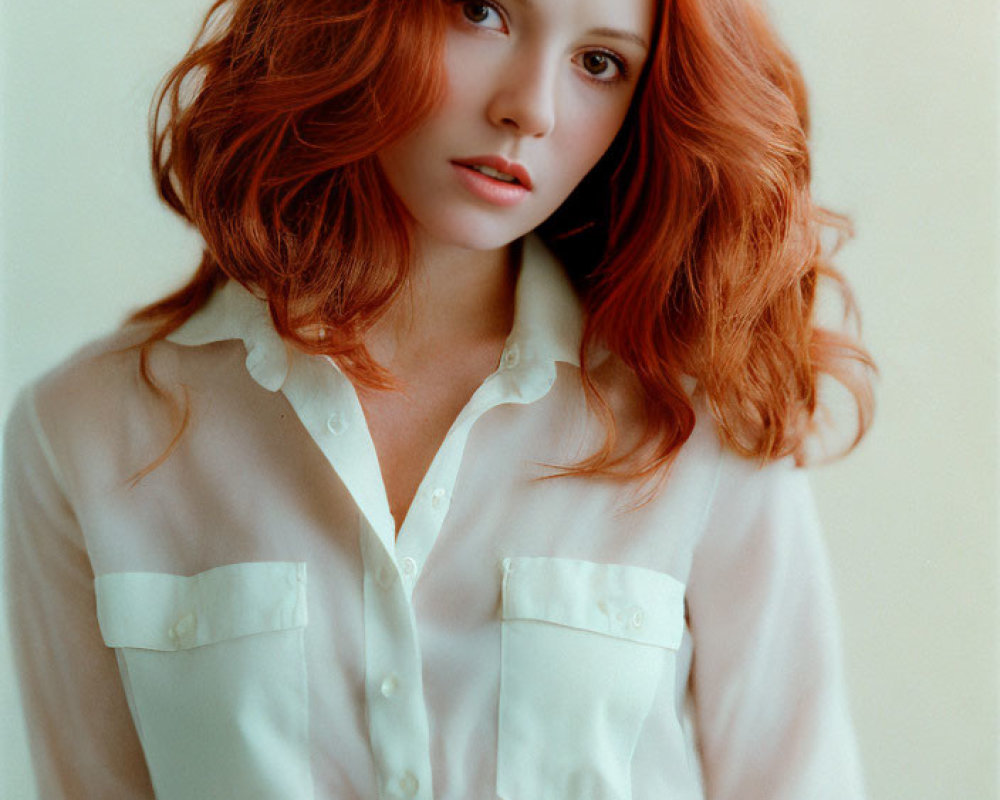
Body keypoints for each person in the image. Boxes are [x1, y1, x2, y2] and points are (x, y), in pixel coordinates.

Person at [2, 0, 876, 798]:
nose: (530, 109)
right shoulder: (81, 432)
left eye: (600, 62)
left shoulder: (695, 423)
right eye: (482, 11)